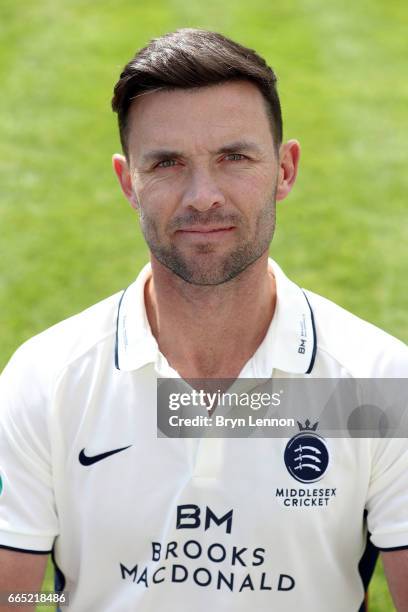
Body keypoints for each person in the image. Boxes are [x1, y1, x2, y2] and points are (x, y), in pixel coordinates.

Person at [0, 28, 407, 612]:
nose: (203, 195)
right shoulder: (44, 379)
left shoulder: (378, 380)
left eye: (233, 158)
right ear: (128, 184)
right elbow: (13, 591)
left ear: (284, 170)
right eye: (167, 163)